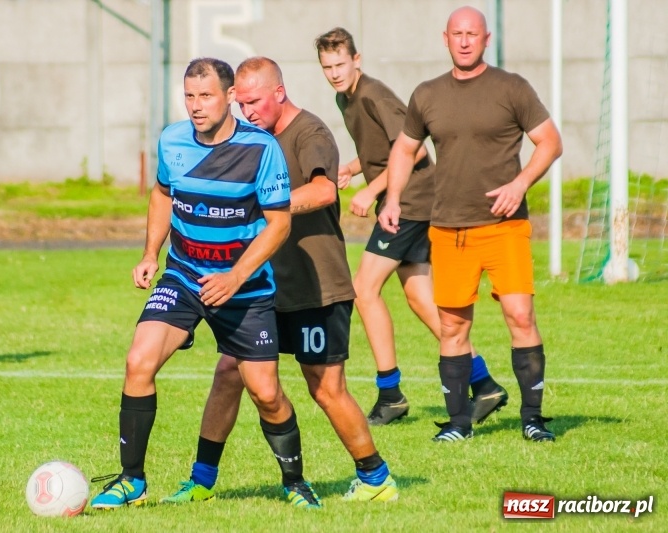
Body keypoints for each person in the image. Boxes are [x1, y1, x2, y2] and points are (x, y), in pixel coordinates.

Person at [160, 57, 399, 506]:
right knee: (229, 372)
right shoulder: (247, 140)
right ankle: (201, 480)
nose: (247, 112)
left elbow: (325, 190)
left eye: (254, 102)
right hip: (260, 287)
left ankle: (376, 477)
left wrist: (265, 203)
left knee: (325, 388)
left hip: (313, 286)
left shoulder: (309, 133)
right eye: (241, 103)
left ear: (279, 93)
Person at [89, 57, 320, 510]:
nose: (196, 106)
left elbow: (279, 224)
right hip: (183, 276)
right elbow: (162, 194)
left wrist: (236, 276)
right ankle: (132, 481)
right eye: (189, 96)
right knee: (138, 361)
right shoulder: (172, 140)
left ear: (230, 97)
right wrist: (150, 254)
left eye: (206, 96)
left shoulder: (261, 149)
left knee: (266, 393)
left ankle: (295, 482)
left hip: (245, 288)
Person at [378, 6, 563, 442]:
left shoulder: (511, 88)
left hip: (504, 227)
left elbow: (550, 142)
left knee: (520, 315)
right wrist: (392, 198)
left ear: (486, 39)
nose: (464, 41)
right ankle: (459, 424)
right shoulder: (427, 94)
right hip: (449, 230)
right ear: (446, 39)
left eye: (472, 34)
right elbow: (404, 149)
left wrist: (519, 184)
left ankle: (532, 419)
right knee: (452, 327)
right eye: (457, 34)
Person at [314, 27, 506, 426]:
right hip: (410, 203)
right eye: (327, 67)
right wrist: (352, 168)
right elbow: (382, 149)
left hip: (412, 202)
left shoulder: (373, 94)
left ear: (356, 60)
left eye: (340, 64)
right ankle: (483, 382)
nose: (334, 73)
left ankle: (390, 394)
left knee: (363, 288)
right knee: (420, 298)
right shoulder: (344, 97)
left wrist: (373, 191)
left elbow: (414, 148)